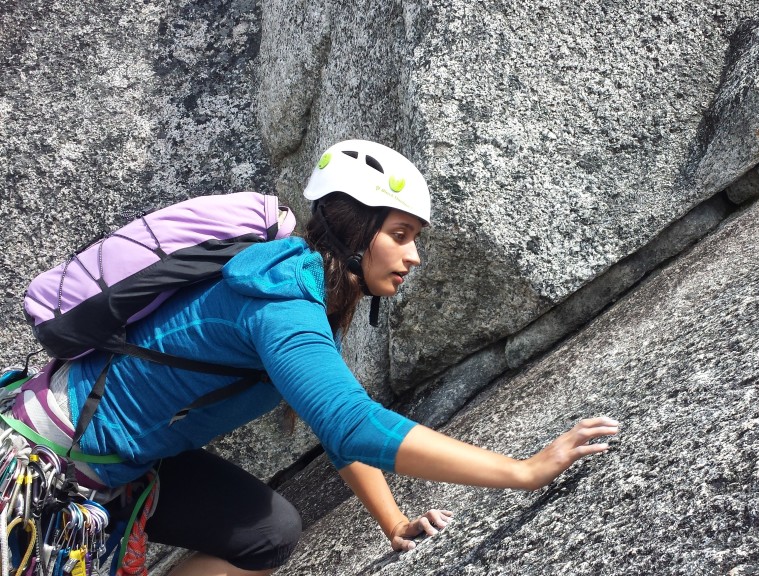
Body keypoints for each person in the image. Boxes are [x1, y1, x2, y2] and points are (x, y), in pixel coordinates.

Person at [7, 140, 619, 575]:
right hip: (48, 461)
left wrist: (394, 523)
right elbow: (352, 424)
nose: (413, 257)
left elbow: (334, 423)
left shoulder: (302, 292)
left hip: (124, 464)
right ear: (357, 231)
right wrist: (522, 471)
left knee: (269, 533)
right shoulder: (279, 297)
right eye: (400, 235)